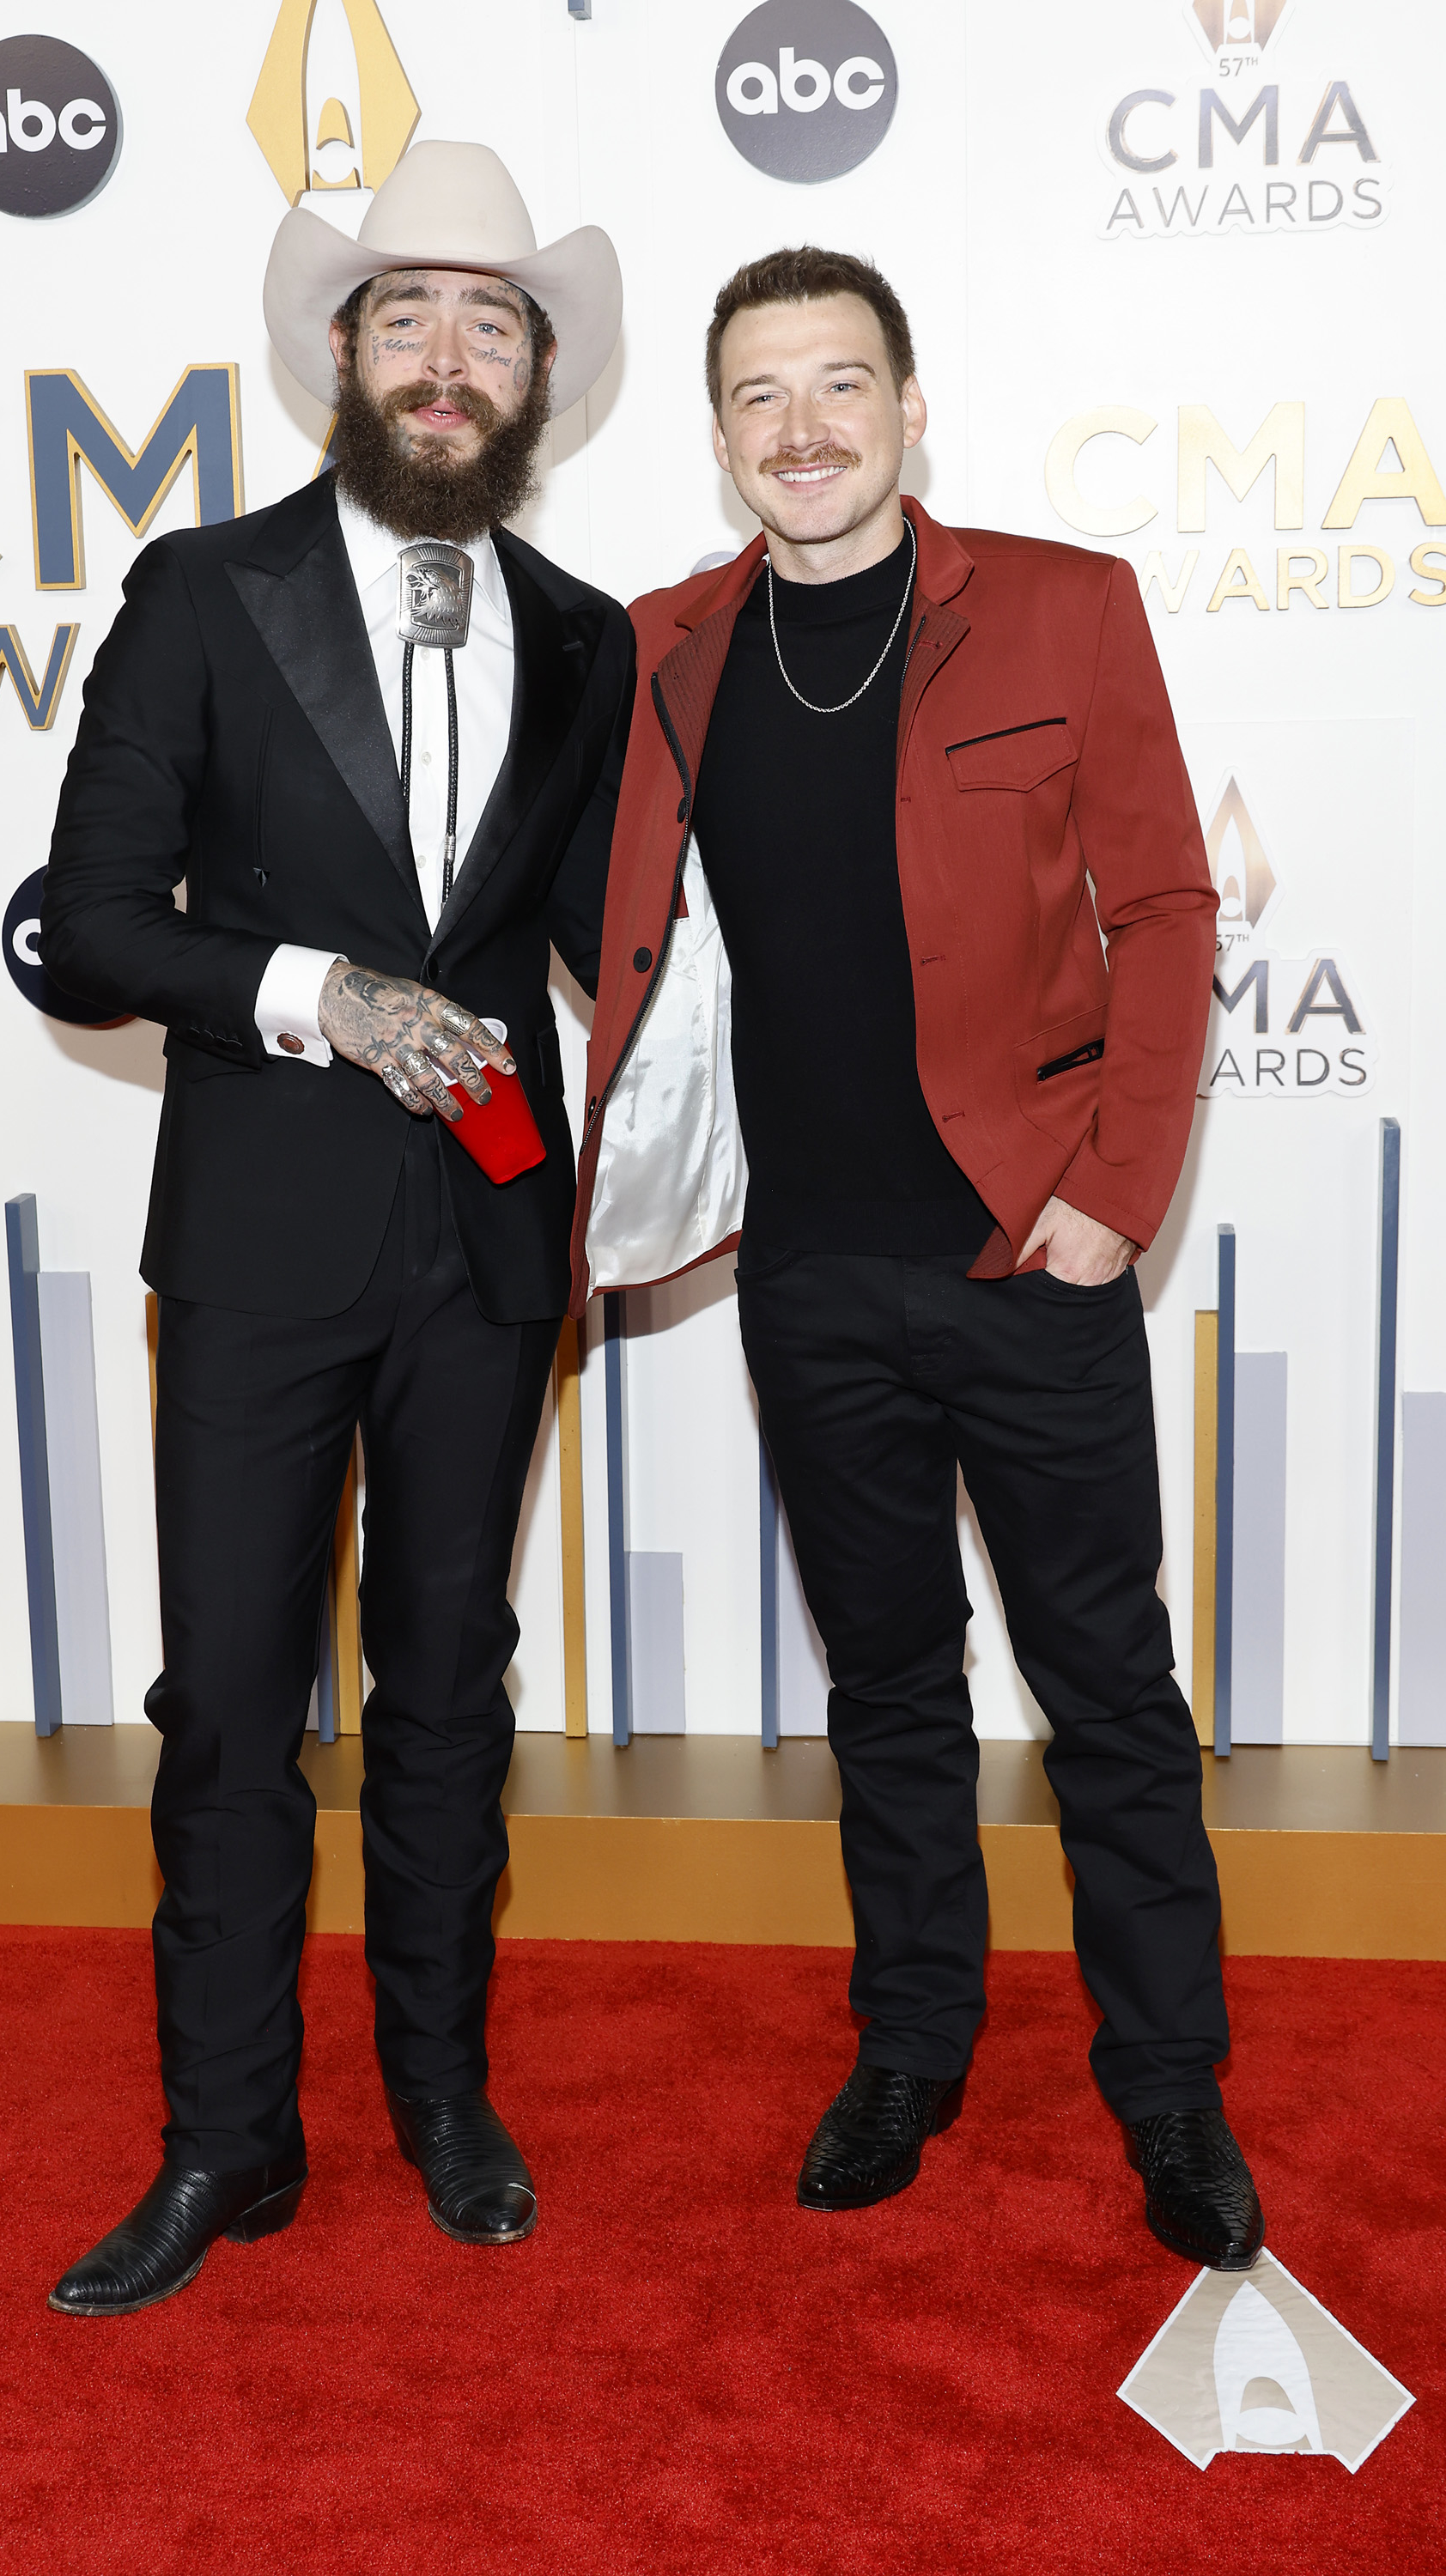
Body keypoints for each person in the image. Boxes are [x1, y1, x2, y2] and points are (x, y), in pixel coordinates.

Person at [571, 246, 1261, 2270]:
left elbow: (1166, 905)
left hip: (1023, 1260)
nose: (802, 427)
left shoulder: (1061, 605)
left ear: (909, 406)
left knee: (1105, 1694)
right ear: (716, 440)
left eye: (839, 385)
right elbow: (609, 930)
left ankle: (1171, 2092)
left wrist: (1113, 1200)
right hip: (804, 1279)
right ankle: (911, 2046)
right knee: (885, 1691)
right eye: (760, 397)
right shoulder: (665, 650)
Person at [40, 143, 634, 2314]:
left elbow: (618, 958)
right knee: (226, 1709)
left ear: (536, 376)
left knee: (451, 1693)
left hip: (488, 1249)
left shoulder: (586, 641)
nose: (448, 356)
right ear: (342, 359)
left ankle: (442, 2099)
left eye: (489, 322)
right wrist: (308, 994)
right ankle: (226, 2148)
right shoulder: (206, 592)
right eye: (408, 318)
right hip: (260, 1245)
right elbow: (88, 929)